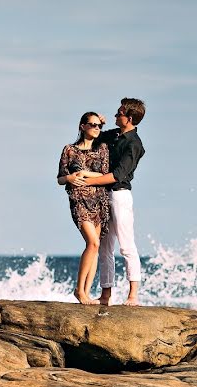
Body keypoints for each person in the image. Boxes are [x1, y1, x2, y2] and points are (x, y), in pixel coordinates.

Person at [76, 98, 146, 306]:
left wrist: (89, 181)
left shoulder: (134, 144)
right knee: (105, 247)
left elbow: (118, 175)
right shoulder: (114, 135)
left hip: (119, 195)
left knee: (126, 246)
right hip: (103, 195)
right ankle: (106, 294)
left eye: (119, 113)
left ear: (129, 118)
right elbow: (93, 136)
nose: (116, 115)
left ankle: (133, 295)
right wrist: (101, 124)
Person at [57, 112, 111, 305]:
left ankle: (86, 293)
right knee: (93, 243)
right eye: (92, 125)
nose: (97, 128)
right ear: (82, 126)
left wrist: (85, 173)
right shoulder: (69, 149)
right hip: (79, 200)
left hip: (99, 200)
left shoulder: (102, 148)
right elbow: (60, 178)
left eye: (99, 126)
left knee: (94, 247)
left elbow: (105, 173)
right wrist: (70, 178)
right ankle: (79, 290)